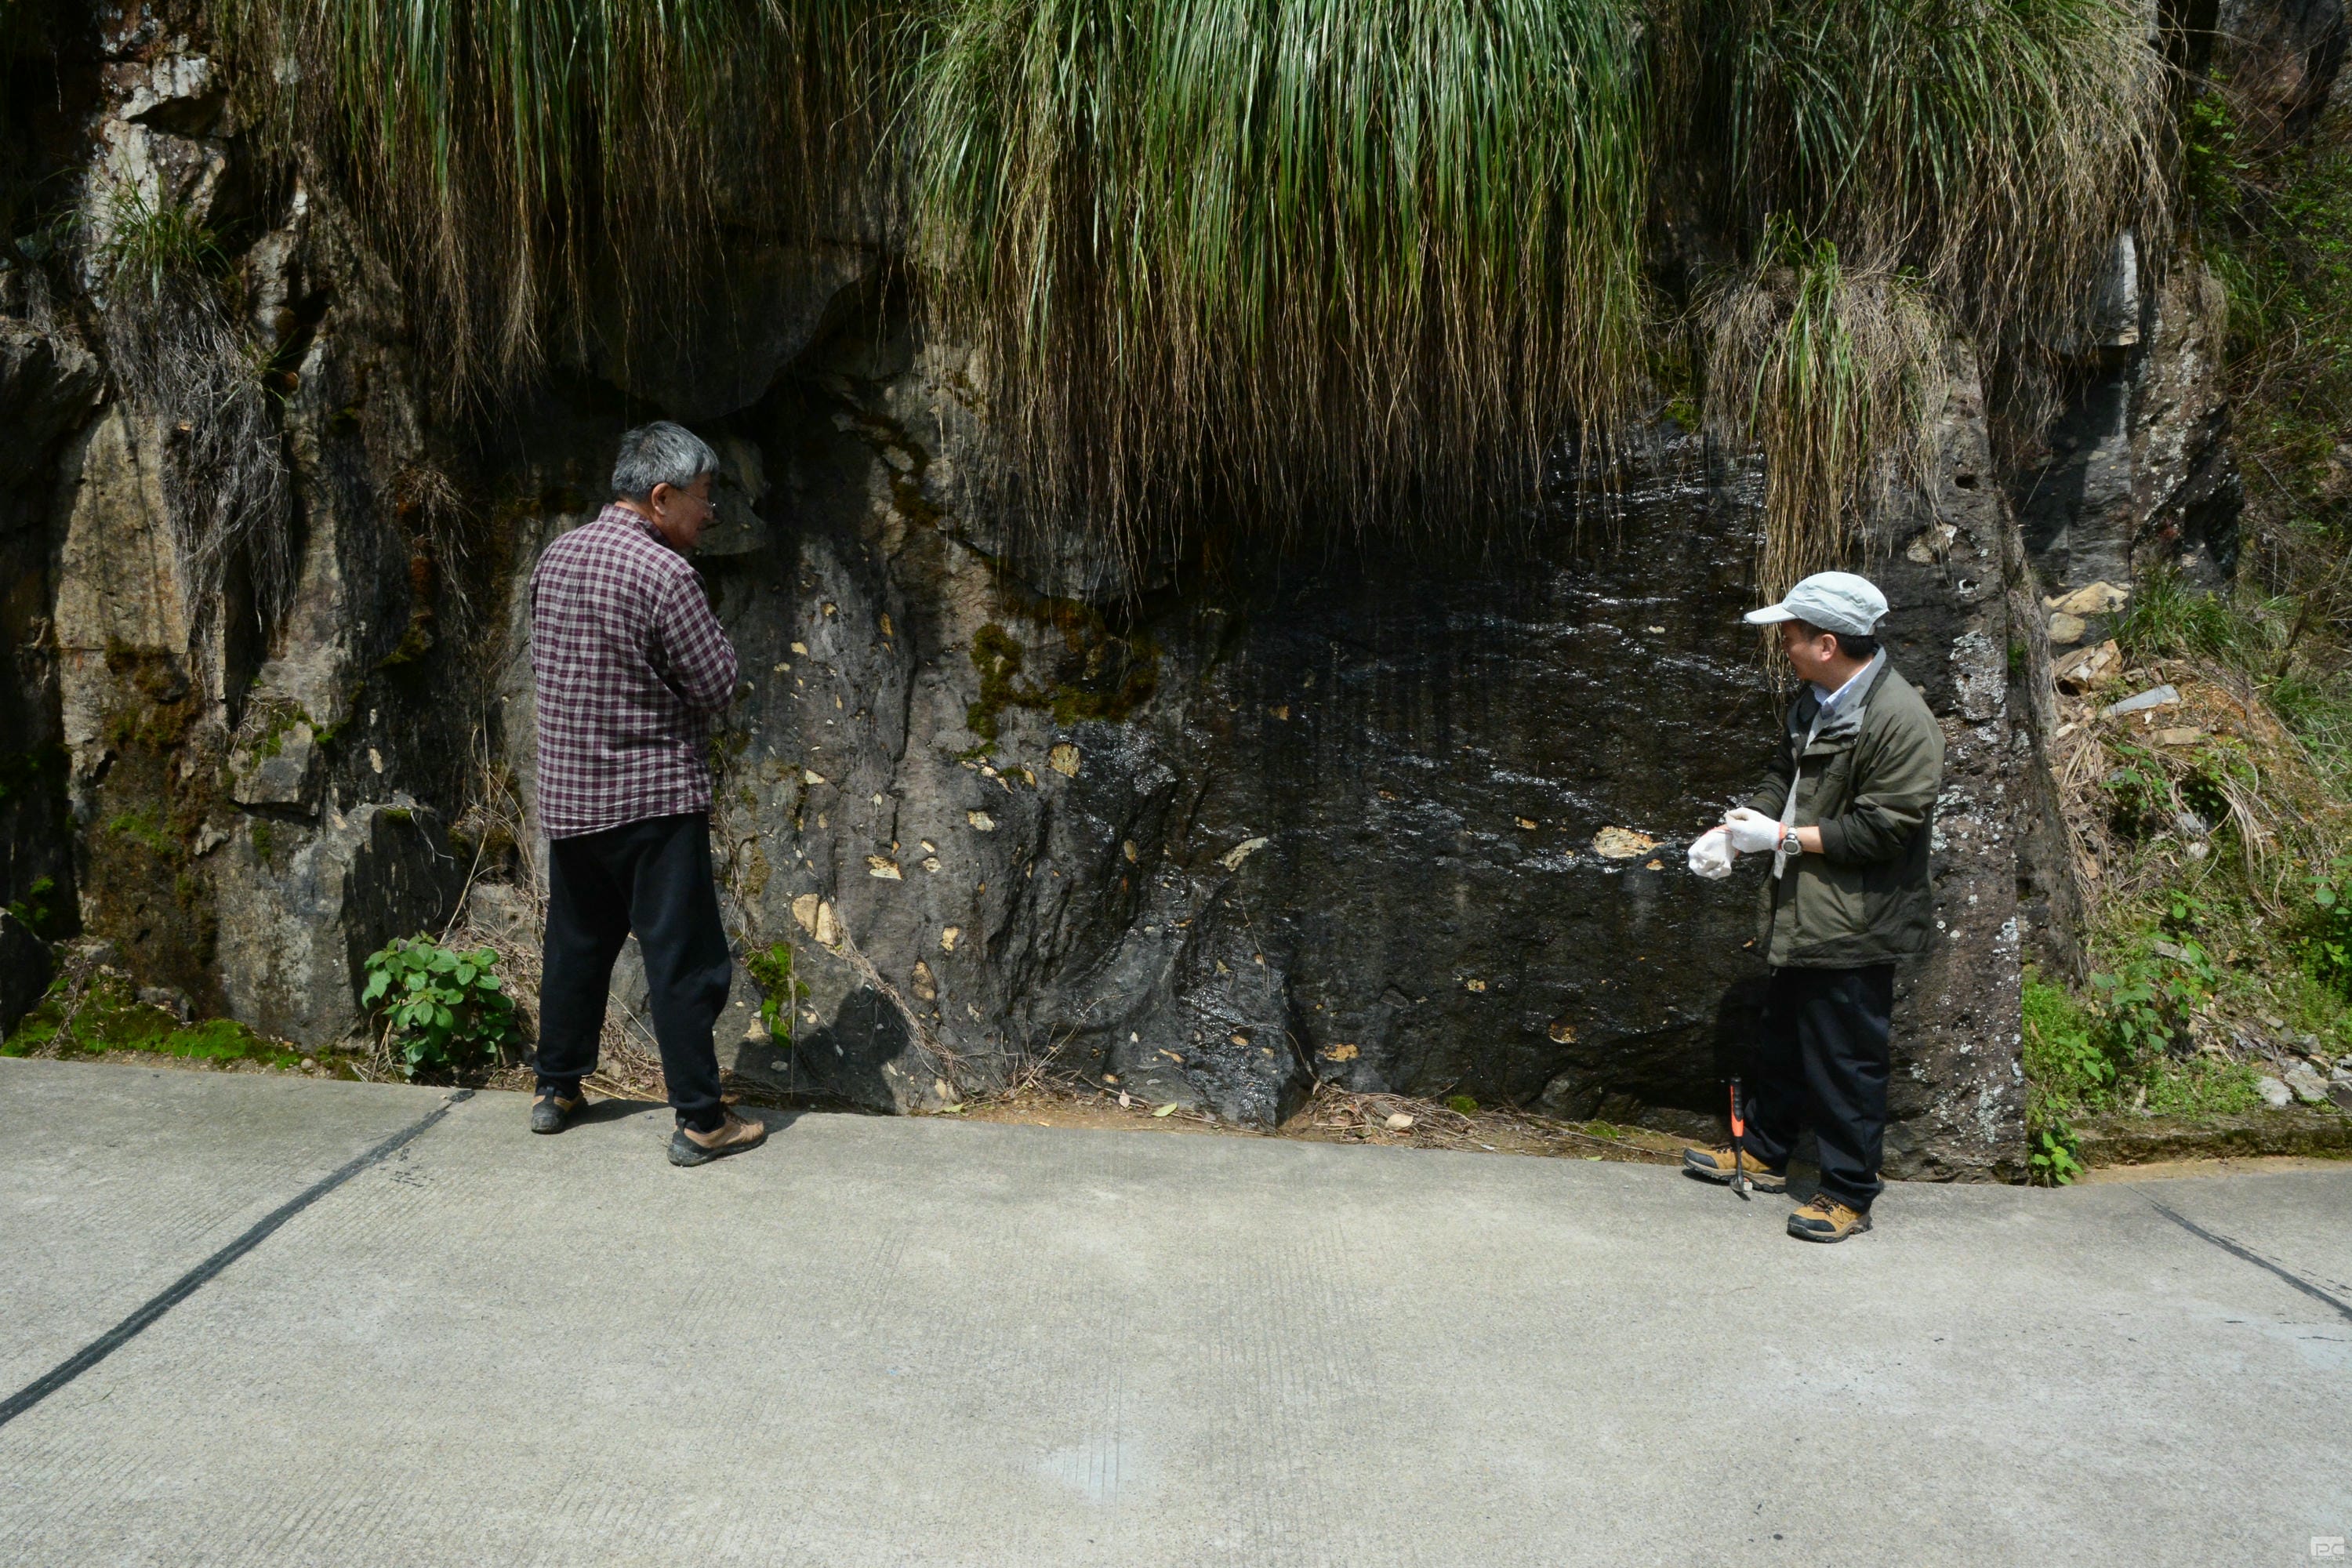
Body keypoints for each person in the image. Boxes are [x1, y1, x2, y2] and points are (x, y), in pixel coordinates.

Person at [524, 420, 765, 1167]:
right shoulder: (666, 575)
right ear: (659, 498)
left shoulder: (557, 555)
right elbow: (718, 685)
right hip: (653, 801)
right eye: (702, 497)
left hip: (571, 798)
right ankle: (700, 1121)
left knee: (575, 949)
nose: (711, 512)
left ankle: (556, 1089)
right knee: (684, 961)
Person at [1681, 571, 1944, 1241]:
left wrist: (1782, 839)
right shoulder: (1817, 698)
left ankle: (1849, 1195)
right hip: (1805, 910)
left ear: (1827, 643)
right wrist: (1737, 833)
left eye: (1791, 636)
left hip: (1856, 921)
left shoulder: (1900, 720)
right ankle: (1767, 1152)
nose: (1784, 647)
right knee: (1783, 1041)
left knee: (1846, 1060)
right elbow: (1784, 777)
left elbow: (1886, 828)